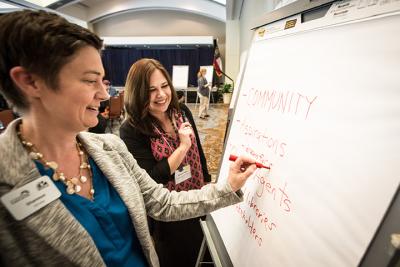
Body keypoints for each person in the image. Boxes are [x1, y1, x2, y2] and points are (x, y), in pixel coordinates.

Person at [0, 10, 257, 267]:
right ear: (30, 82)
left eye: (103, 80)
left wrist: (228, 187)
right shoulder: (7, 182)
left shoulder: (110, 148)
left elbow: (162, 203)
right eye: (91, 80)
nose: (103, 94)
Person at [119, 58, 213, 267]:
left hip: (198, 196)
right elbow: (151, 178)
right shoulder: (131, 129)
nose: (161, 95)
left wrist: (206, 181)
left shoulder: (182, 111)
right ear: (139, 92)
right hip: (169, 213)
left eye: (164, 86)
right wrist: (182, 148)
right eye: (151, 90)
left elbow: (199, 152)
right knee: (182, 256)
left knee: (206, 252)